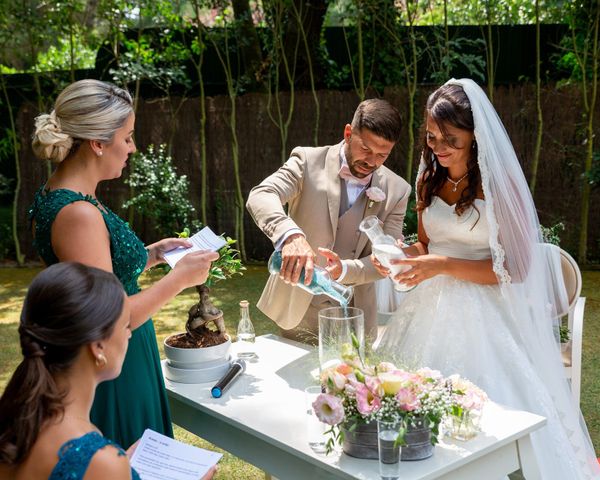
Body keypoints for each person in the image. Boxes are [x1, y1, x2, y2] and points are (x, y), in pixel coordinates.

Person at [375, 79, 600, 479]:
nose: (438, 147)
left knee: (486, 424)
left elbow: (515, 269)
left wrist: (440, 264)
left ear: (476, 138)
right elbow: (426, 244)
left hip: (489, 314)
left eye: (451, 139)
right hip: (429, 311)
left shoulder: (500, 186)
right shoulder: (427, 179)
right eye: (431, 137)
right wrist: (399, 255)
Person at [28, 79, 219, 449]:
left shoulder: (69, 194)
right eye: (128, 136)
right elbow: (109, 317)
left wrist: (152, 253)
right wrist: (178, 280)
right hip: (113, 365)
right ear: (98, 143)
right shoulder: (77, 213)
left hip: (128, 352)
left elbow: (97, 272)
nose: (132, 147)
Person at [0, 263, 217, 480]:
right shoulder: (97, 461)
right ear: (98, 347)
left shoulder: (15, 422)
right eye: (126, 326)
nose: (129, 336)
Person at [246, 98, 411, 342]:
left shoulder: (398, 190)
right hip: (299, 310)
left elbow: (382, 262)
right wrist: (290, 235)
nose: (371, 162)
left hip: (357, 317)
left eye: (382, 155)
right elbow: (261, 195)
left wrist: (345, 270)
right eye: (365, 149)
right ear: (348, 133)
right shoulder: (307, 161)